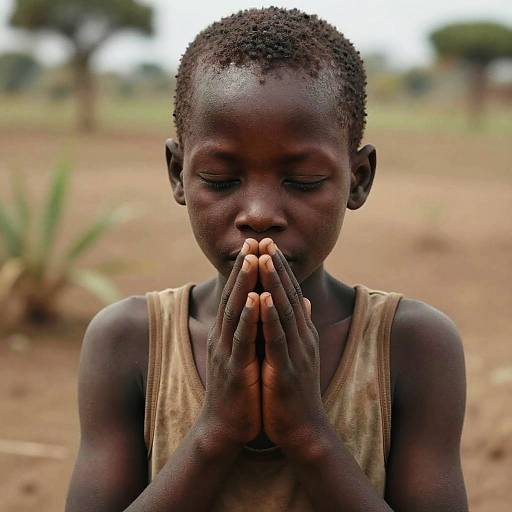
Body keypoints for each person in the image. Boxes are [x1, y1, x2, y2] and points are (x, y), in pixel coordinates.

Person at [65, 7, 468, 511]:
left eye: (302, 182)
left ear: (358, 178)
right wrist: (216, 432)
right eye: (219, 179)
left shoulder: (411, 346)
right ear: (177, 174)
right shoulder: (129, 343)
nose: (258, 214)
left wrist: (306, 432)